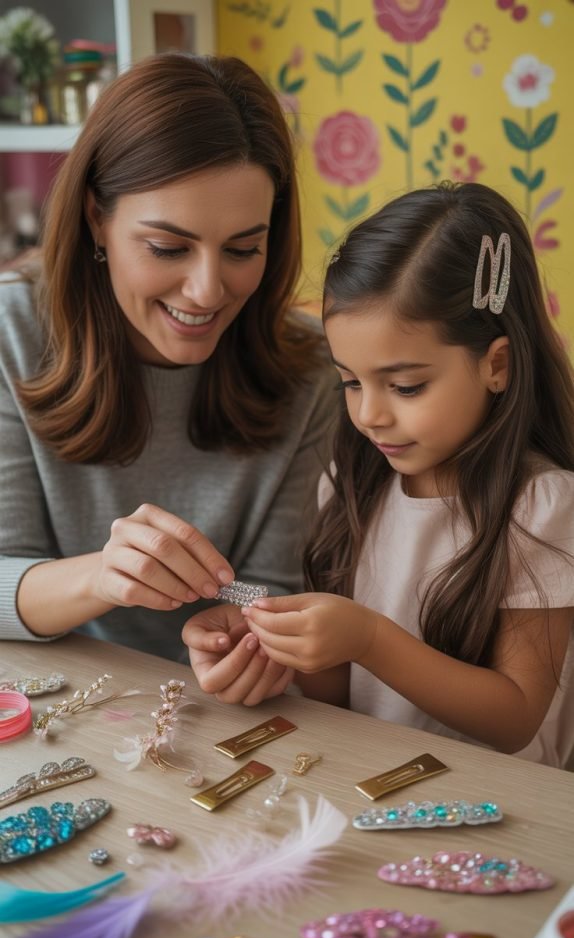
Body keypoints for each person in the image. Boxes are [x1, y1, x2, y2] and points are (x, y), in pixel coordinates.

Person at [185, 181, 574, 766]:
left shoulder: (540, 505)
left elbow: (515, 719)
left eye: (406, 386)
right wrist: (279, 642)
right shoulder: (353, 482)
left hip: (501, 806)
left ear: (497, 365)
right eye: (350, 381)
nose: (370, 414)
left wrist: (368, 639)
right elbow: (338, 695)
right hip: (368, 777)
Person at [0, 52, 335, 683]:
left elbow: (270, 589)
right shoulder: (10, 334)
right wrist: (103, 575)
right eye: (167, 248)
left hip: (203, 717)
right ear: (97, 218)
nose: (208, 291)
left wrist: (249, 649)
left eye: (243, 249)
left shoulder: (312, 369)